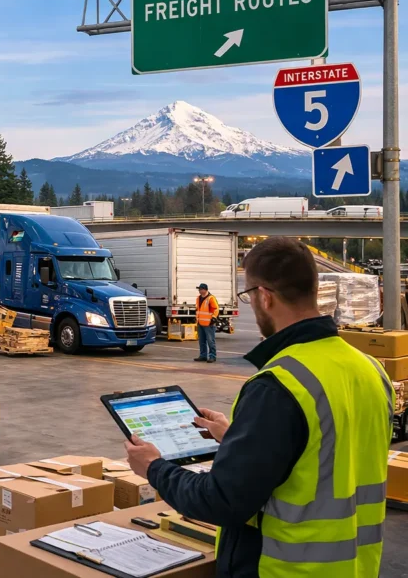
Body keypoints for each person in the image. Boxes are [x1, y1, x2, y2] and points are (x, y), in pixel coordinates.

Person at [124, 237, 394, 578]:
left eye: (248, 296)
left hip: (286, 569)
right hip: (355, 566)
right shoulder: (370, 369)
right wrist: (239, 436)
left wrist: (153, 467)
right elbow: (324, 452)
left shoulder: (278, 385)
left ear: (264, 296)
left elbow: (221, 500)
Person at [194, 283, 219, 363]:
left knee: (210, 341)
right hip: (200, 323)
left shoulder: (211, 298)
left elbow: (216, 309)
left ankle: (212, 356)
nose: (199, 291)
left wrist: (214, 318)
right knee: (202, 341)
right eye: (199, 289)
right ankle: (203, 355)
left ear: (205, 290)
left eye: (201, 289)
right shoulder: (198, 298)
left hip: (209, 324)